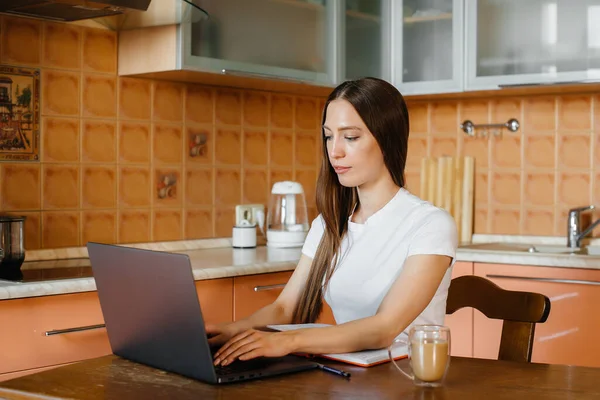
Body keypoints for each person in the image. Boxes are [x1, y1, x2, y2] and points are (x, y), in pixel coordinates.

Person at [208, 77, 458, 367]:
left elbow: (384, 328)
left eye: (350, 137)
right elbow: (286, 307)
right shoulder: (328, 226)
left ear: (387, 139)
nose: (335, 151)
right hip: (347, 375)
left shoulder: (430, 225)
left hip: (405, 379)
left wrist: (287, 341)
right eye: (329, 136)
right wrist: (233, 329)